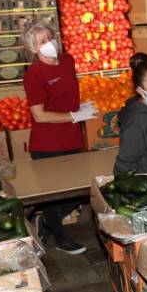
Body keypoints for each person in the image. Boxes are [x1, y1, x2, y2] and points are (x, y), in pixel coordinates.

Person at [22, 19, 94, 255]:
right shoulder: (34, 73)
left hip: (72, 137)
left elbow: (66, 98)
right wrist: (74, 116)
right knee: (54, 194)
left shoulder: (68, 61)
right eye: (42, 41)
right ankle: (60, 237)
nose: (49, 43)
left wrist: (81, 107)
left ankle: (46, 223)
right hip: (47, 142)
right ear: (34, 49)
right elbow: (39, 115)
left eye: (51, 37)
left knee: (81, 187)